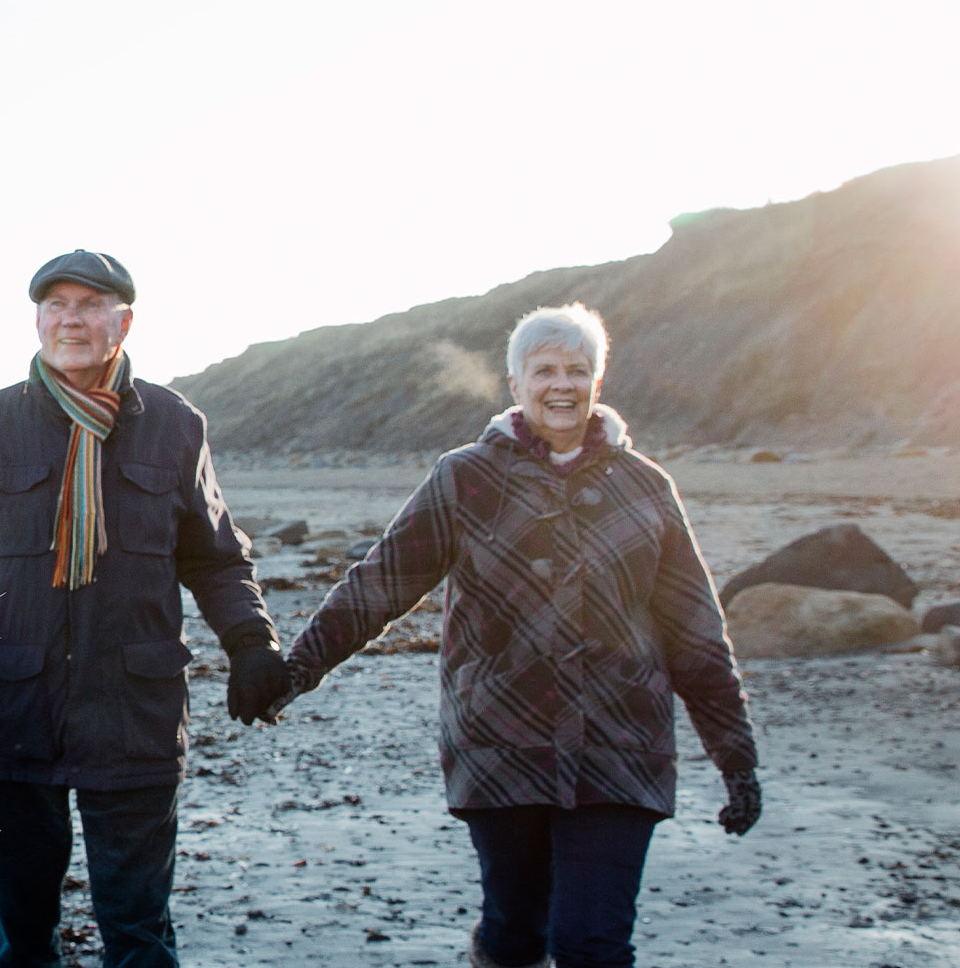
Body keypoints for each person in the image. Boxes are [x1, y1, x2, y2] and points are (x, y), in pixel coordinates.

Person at [282, 304, 761, 968]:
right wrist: (296, 670)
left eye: (578, 370)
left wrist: (737, 760)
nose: (561, 385)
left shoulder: (645, 488)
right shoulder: (465, 478)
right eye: (544, 371)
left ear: (598, 381)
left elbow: (696, 632)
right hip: (502, 745)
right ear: (516, 383)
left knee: (592, 944)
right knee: (515, 934)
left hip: (622, 746)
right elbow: (381, 584)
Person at [0, 249, 287, 968]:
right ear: (38, 318)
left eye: (90, 304)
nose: (71, 319)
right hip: (12, 710)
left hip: (134, 713)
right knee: (23, 939)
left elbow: (214, 554)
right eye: (57, 305)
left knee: (138, 933)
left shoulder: (173, 423)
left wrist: (251, 643)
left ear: (123, 321)